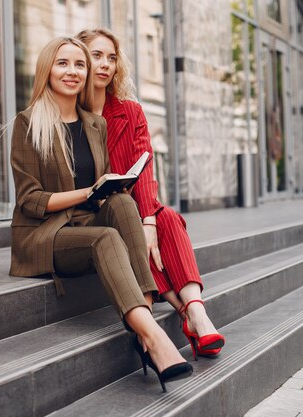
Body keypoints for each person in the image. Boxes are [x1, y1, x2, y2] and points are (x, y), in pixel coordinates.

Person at [8, 36, 192, 391]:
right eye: (63, 63)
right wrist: (89, 192)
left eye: (79, 65)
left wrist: (112, 188)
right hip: (44, 233)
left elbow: (104, 194)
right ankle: (152, 336)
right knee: (105, 238)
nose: (72, 71)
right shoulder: (28, 122)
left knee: (124, 203)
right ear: (47, 70)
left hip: (85, 221)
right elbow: (30, 200)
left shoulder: (95, 124)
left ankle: (145, 323)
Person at [76, 28, 225, 359]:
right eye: (96, 55)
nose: (105, 64)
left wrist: (148, 221)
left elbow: (143, 168)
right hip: (97, 212)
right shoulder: (71, 113)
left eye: (111, 58)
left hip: (135, 203)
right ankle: (188, 313)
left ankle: (197, 313)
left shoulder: (129, 111)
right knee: (140, 225)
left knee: (165, 218)